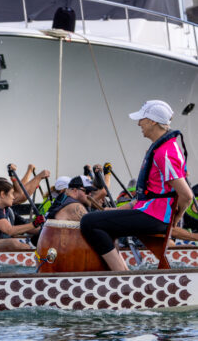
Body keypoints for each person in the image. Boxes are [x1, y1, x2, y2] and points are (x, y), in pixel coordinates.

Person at [80, 100, 193, 270]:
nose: (139, 123)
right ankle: (118, 270)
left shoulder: (166, 152)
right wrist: (115, 210)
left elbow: (187, 196)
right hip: (151, 212)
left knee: (89, 222)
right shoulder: (161, 148)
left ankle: (121, 276)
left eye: (142, 119)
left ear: (153, 121)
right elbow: (144, 199)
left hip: (156, 217)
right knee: (99, 220)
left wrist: (176, 218)